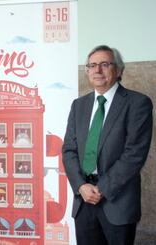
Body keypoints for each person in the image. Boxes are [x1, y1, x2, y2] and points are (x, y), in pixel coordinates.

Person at [62, 45, 153, 245]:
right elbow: (69, 150)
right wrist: (81, 186)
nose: (97, 70)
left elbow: (134, 154)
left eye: (105, 64)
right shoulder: (79, 106)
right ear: (87, 71)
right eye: (92, 65)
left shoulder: (138, 103)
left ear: (119, 70)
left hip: (117, 201)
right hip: (83, 200)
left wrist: (102, 188)